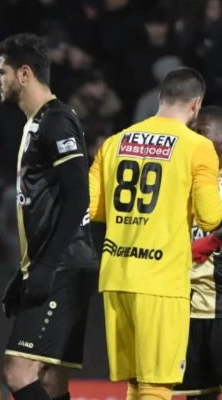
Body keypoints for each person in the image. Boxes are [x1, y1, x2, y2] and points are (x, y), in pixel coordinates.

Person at [89, 68, 222, 400]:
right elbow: (210, 218)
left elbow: (94, 209)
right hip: (161, 281)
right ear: (196, 104)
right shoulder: (197, 146)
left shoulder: (115, 142)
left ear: (160, 98)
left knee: (136, 382)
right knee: (156, 385)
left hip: (116, 277)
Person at [0, 33, 98, 400]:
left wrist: (46, 266)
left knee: (17, 371)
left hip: (64, 266)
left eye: (2, 72)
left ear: (24, 73)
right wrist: (25, 271)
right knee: (52, 382)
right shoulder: (36, 123)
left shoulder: (56, 120)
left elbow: (78, 196)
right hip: (62, 265)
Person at [175, 106, 222, 400]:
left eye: (201, 132)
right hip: (186, 310)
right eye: (191, 132)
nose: (193, 138)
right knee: (198, 396)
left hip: (220, 309)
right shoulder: (179, 181)